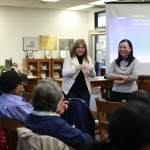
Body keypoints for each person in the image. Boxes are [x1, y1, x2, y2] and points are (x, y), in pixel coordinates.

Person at [25, 78, 93, 149]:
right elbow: (87, 141)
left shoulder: (28, 119)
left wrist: (57, 113)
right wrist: (72, 130)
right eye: (61, 101)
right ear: (54, 102)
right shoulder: (58, 125)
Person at [62, 39, 96, 106]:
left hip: (84, 89)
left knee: (85, 109)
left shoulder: (88, 58)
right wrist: (76, 68)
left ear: (85, 49)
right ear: (75, 48)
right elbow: (64, 73)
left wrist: (91, 69)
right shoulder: (69, 57)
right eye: (78, 47)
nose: (80, 50)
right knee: (73, 109)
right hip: (71, 89)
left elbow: (93, 75)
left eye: (82, 48)